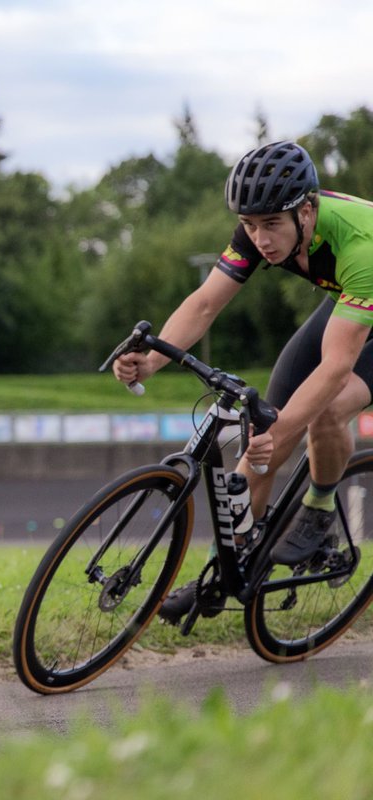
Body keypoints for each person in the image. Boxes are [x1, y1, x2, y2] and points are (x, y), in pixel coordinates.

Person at [112, 140, 373, 623]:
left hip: (365, 288)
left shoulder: (360, 247)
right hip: (350, 302)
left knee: (326, 411)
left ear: (308, 211)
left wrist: (280, 434)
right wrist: (151, 360)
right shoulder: (260, 226)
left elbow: (337, 367)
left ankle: (318, 510)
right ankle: (226, 573)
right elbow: (206, 301)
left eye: (272, 226)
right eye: (250, 226)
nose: (261, 239)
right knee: (261, 435)